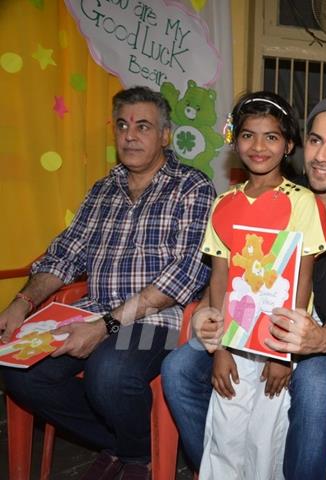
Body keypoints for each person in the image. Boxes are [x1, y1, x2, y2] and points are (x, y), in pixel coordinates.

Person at [160, 93, 326, 478]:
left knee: (315, 386)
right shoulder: (272, 188)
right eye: (316, 140)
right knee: (179, 367)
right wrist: (206, 311)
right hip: (245, 324)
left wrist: (312, 342)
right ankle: (218, 464)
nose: (321, 155)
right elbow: (229, 266)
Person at [0, 86, 215, 480]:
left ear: (165, 135)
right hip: (91, 312)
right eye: (122, 125)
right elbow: (64, 255)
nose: (130, 135)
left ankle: (135, 459)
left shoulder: (192, 187)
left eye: (143, 126)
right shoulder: (102, 191)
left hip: (159, 321)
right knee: (19, 372)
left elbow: (187, 272)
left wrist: (105, 327)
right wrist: (21, 304)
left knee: (109, 371)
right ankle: (127, 445)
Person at [194, 91, 326, 479]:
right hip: (234, 330)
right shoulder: (223, 204)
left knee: (267, 435)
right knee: (225, 429)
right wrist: (220, 348)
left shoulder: (303, 202)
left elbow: (302, 278)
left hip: (279, 331)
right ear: (235, 141)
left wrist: (283, 353)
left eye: (271, 137)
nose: (258, 146)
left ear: (288, 145)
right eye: (248, 135)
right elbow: (219, 276)